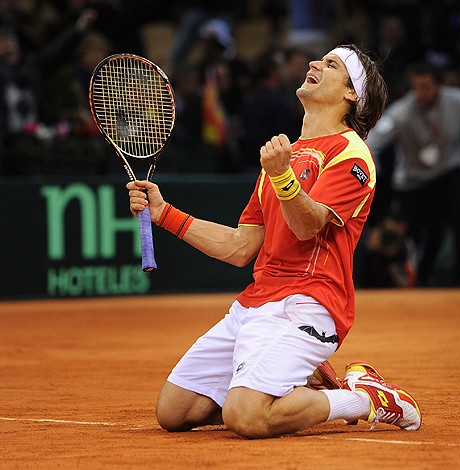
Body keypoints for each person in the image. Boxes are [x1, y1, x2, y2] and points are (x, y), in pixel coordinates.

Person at [126, 44, 421, 439]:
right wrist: (165, 214)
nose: (314, 63)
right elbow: (240, 246)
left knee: (246, 417)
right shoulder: (283, 156)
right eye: (319, 58)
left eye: (331, 64)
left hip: (309, 304)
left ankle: (364, 398)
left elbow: (308, 226)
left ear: (352, 93)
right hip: (255, 304)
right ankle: (292, 383)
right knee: (175, 412)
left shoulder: (352, 154)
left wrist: (283, 176)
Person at [366, 61, 460, 287]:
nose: (421, 93)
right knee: (414, 234)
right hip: (413, 181)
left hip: (449, 172)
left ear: (439, 85)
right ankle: (415, 278)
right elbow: (375, 140)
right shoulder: (400, 112)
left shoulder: (459, 102)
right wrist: (370, 165)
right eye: (416, 87)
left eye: (426, 86)